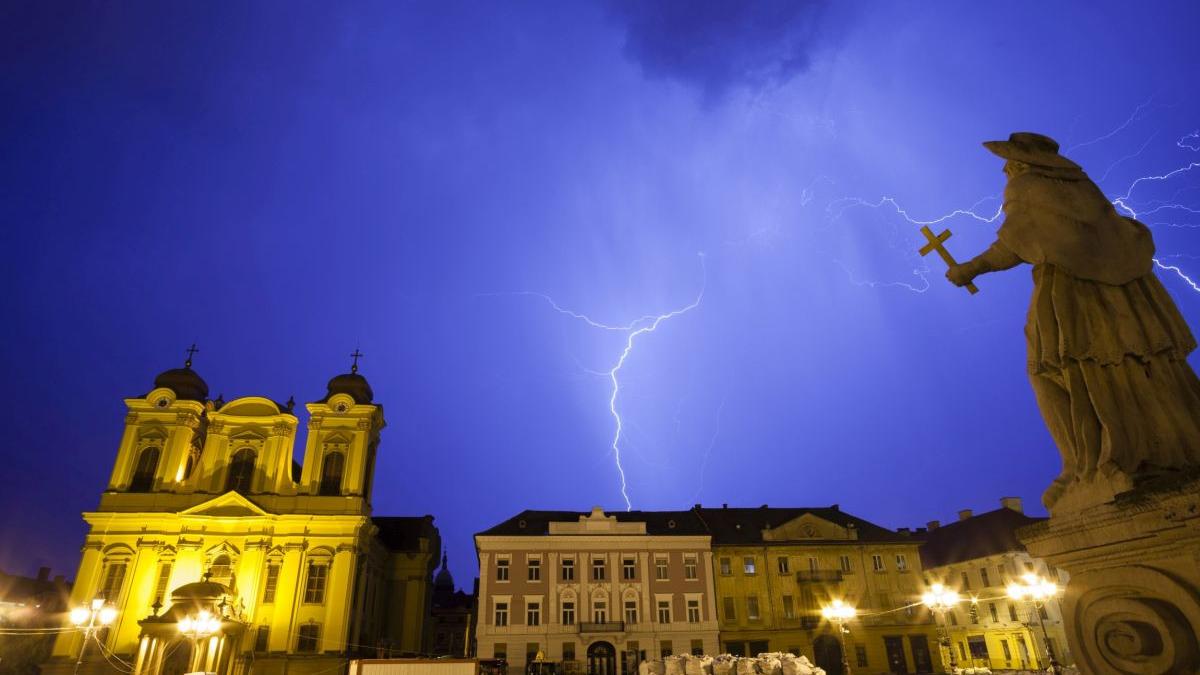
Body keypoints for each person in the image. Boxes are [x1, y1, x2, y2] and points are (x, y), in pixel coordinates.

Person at [947, 132, 1200, 510]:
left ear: (1023, 162)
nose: (1004, 167)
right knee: (1130, 365)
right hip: (1125, 299)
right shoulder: (1085, 190)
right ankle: (1156, 447)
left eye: (1008, 159)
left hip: (1072, 294)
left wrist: (971, 268)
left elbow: (1016, 240)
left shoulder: (1028, 186)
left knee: (1053, 369)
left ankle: (1088, 463)